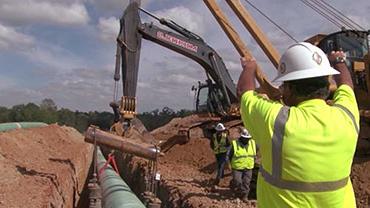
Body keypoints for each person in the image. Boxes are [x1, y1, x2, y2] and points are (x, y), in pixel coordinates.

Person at [237, 42, 359, 208]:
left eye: (283, 86)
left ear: (290, 89)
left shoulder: (276, 120)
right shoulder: (347, 116)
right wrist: (339, 61)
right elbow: (347, 87)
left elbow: (244, 93)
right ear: (326, 85)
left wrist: (249, 67)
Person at [227, 128, 256, 202]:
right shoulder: (234, 144)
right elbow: (228, 155)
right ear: (241, 137)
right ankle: (235, 189)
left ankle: (244, 196)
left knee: (246, 182)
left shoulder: (253, 143)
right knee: (238, 181)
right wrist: (229, 165)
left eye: (248, 138)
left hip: (248, 167)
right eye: (245, 138)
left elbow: (256, 152)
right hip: (237, 168)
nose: (247, 140)